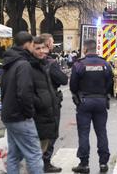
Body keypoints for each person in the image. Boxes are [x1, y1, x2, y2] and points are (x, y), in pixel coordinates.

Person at [1, 31, 43, 174]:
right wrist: (29, 112)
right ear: (28, 44)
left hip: (9, 114)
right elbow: (24, 92)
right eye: (33, 45)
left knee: (14, 155)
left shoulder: (8, 62)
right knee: (34, 154)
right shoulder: (23, 64)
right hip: (20, 116)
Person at [70, 39, 112, 173]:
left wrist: (79, 94)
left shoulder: (79, 65)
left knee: (83, 133)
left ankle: (84, 163)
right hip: (101, 101)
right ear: (96, 48)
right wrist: (103, 94)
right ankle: (103, 163)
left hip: (84, 102)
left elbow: (73, 85)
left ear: (85, 49)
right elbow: (110, 83)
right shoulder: (105, 64)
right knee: (101, 132)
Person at [40, 33, 68, 173]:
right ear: (47, 44)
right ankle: (45, 161)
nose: (53, 45)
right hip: (50, 101)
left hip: (36, 101)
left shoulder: (29, 60)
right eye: (51, 42)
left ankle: (37, 160)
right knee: (52, 132)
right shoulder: (51, 63)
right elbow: (63, 79)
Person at [30, 37, 58, 154]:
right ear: (31, 49)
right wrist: (41, 103)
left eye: (43, 48)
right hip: (35, 117)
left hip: (46, 116)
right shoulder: (28, 66)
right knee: (34, 156)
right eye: (38, 48)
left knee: (40, 152)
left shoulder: (43, 65)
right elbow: (26, 93)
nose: (42, 51)